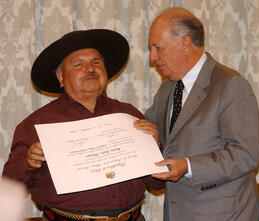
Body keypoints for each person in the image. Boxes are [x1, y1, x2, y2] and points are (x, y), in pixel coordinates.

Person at [2, 29, 164, 221]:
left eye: (96, 62)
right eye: (79, 64)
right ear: (61, 77)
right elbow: (9, 190)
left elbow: (157, 184)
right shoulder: (37, 124)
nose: (90, 68)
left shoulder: (128, 114)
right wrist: (29, 164)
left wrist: (154, 147)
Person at [144, 7, 259, 221]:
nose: (152, 57)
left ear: (185, 43)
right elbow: (151, 133)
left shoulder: (229, 85)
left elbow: (246, 154)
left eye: (157, 48)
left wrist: (188, 166)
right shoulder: (167, 89)